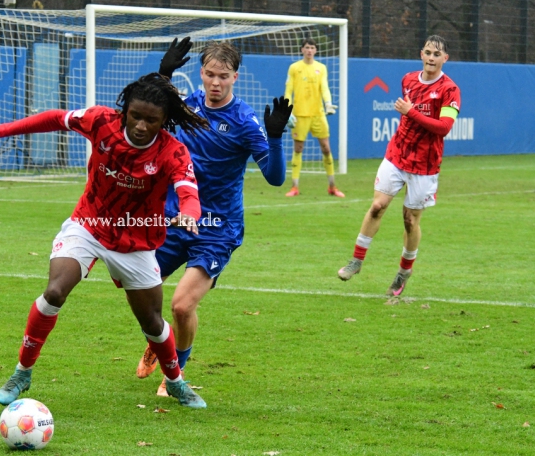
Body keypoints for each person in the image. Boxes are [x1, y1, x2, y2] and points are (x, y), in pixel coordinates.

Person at [0, 73, 212, 409]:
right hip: (89, 225)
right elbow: (55, 118)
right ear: (124, 110)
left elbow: (188, 192)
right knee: (54, 291)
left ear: (163, 121)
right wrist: (2, 130)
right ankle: (22, 373)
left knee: (152, 322)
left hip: (135, 240)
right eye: (135, 116)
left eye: (151, 120)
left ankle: (176, 382)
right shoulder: (100, 121)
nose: (141, 125)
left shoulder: (172, 151)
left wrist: (189, 213)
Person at [134, 39, 294, 396]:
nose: (215, 82)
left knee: (181, 304)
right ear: (201, 73)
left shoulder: (245, 121)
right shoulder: (187, 106)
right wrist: (163, 73)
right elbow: (151, 109)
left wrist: (275, 137)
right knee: (142, 292)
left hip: (217, 228)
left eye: (223, 76)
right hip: (176, 220)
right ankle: (160, 342)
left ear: (235, 77)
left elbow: (275, 177)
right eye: (209, 74)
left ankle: (174, 373)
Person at [337, 35, 461, 296]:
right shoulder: (407, 79)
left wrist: (411, 112)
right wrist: (410, 114)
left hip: (425, 164)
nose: (431, 58)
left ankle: (404, 271)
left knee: (409, 221)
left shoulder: (450, 90)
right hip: (397, 154)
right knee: (377, 206)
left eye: (437, 54)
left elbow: (444, 128)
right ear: (421, 54)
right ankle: (356, 261)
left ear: (445, 59)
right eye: (427, 52)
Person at [283, 37, 344, 197]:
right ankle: (294, 187)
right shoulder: (294, 68)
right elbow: (288, 91)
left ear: (315, 51)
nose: (309, 50)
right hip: (300, 115)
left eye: (312, 48)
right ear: (302, 50)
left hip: (318, 114)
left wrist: (328, 103)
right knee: (298, 149)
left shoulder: (321, 68)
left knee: (326, 148)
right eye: (307, 47)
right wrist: (287, 110)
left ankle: (332, 186)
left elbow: (324, 87)